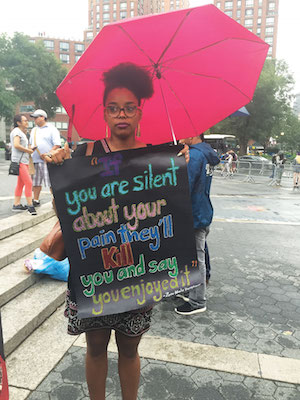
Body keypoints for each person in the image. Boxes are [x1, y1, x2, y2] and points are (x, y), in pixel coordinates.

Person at [43, 63, 188, 400]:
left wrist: (178, 166)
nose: (121, 114)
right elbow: (66, 216)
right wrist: (60, 174)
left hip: (139, 272)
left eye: (128, 107)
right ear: (105, 114)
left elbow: (172, 213)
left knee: (129, 349)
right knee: (95, 348)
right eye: (113, 108)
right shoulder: (85, 154)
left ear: (139, 112)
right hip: (95, 271)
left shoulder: (156, 159)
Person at [175, 134, 219, 316]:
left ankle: (197, 301)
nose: (179, 137)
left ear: (192, 135)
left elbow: (185, 184)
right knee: (192, 256)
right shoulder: (207, 154)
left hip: (193, 214)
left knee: (196, 258)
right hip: (202, 211)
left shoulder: (194, 156)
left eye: (183, 133)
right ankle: (190, 292)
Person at [29, 109, 61, 207]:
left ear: (42, 117)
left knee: (52, 182)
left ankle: (56, 201)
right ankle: (36, 199)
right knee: (36, 182)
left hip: (48, 160)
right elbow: (31, 143)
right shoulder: (34, 130)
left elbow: (57, 144)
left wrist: (48, 154)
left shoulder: (52, 128)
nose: (34, 119)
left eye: (36, 117)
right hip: (35, 159)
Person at [10, 114, 37, 215]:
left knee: (20, 184)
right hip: (19, 161)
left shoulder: (21, 132)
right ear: (18, 123)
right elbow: (16, 145)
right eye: (25, 121)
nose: (27, 122)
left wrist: (29, 149)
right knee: (29, 183)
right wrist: (29, 150)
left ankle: (16, 204)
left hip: (23, 161)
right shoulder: (17, 132)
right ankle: (30, 205)